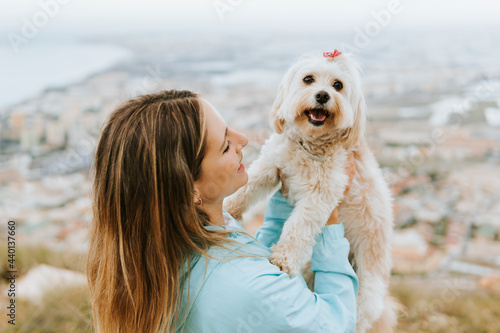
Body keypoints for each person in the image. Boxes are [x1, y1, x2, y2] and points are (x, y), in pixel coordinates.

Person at [86, 90, 358, 333]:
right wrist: (328, 215)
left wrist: (286, 197)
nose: (242, 140)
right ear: (190, 188)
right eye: (225, 145)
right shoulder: (251, 290)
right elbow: (335, 323)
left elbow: (253, 261)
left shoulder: (164, 248)